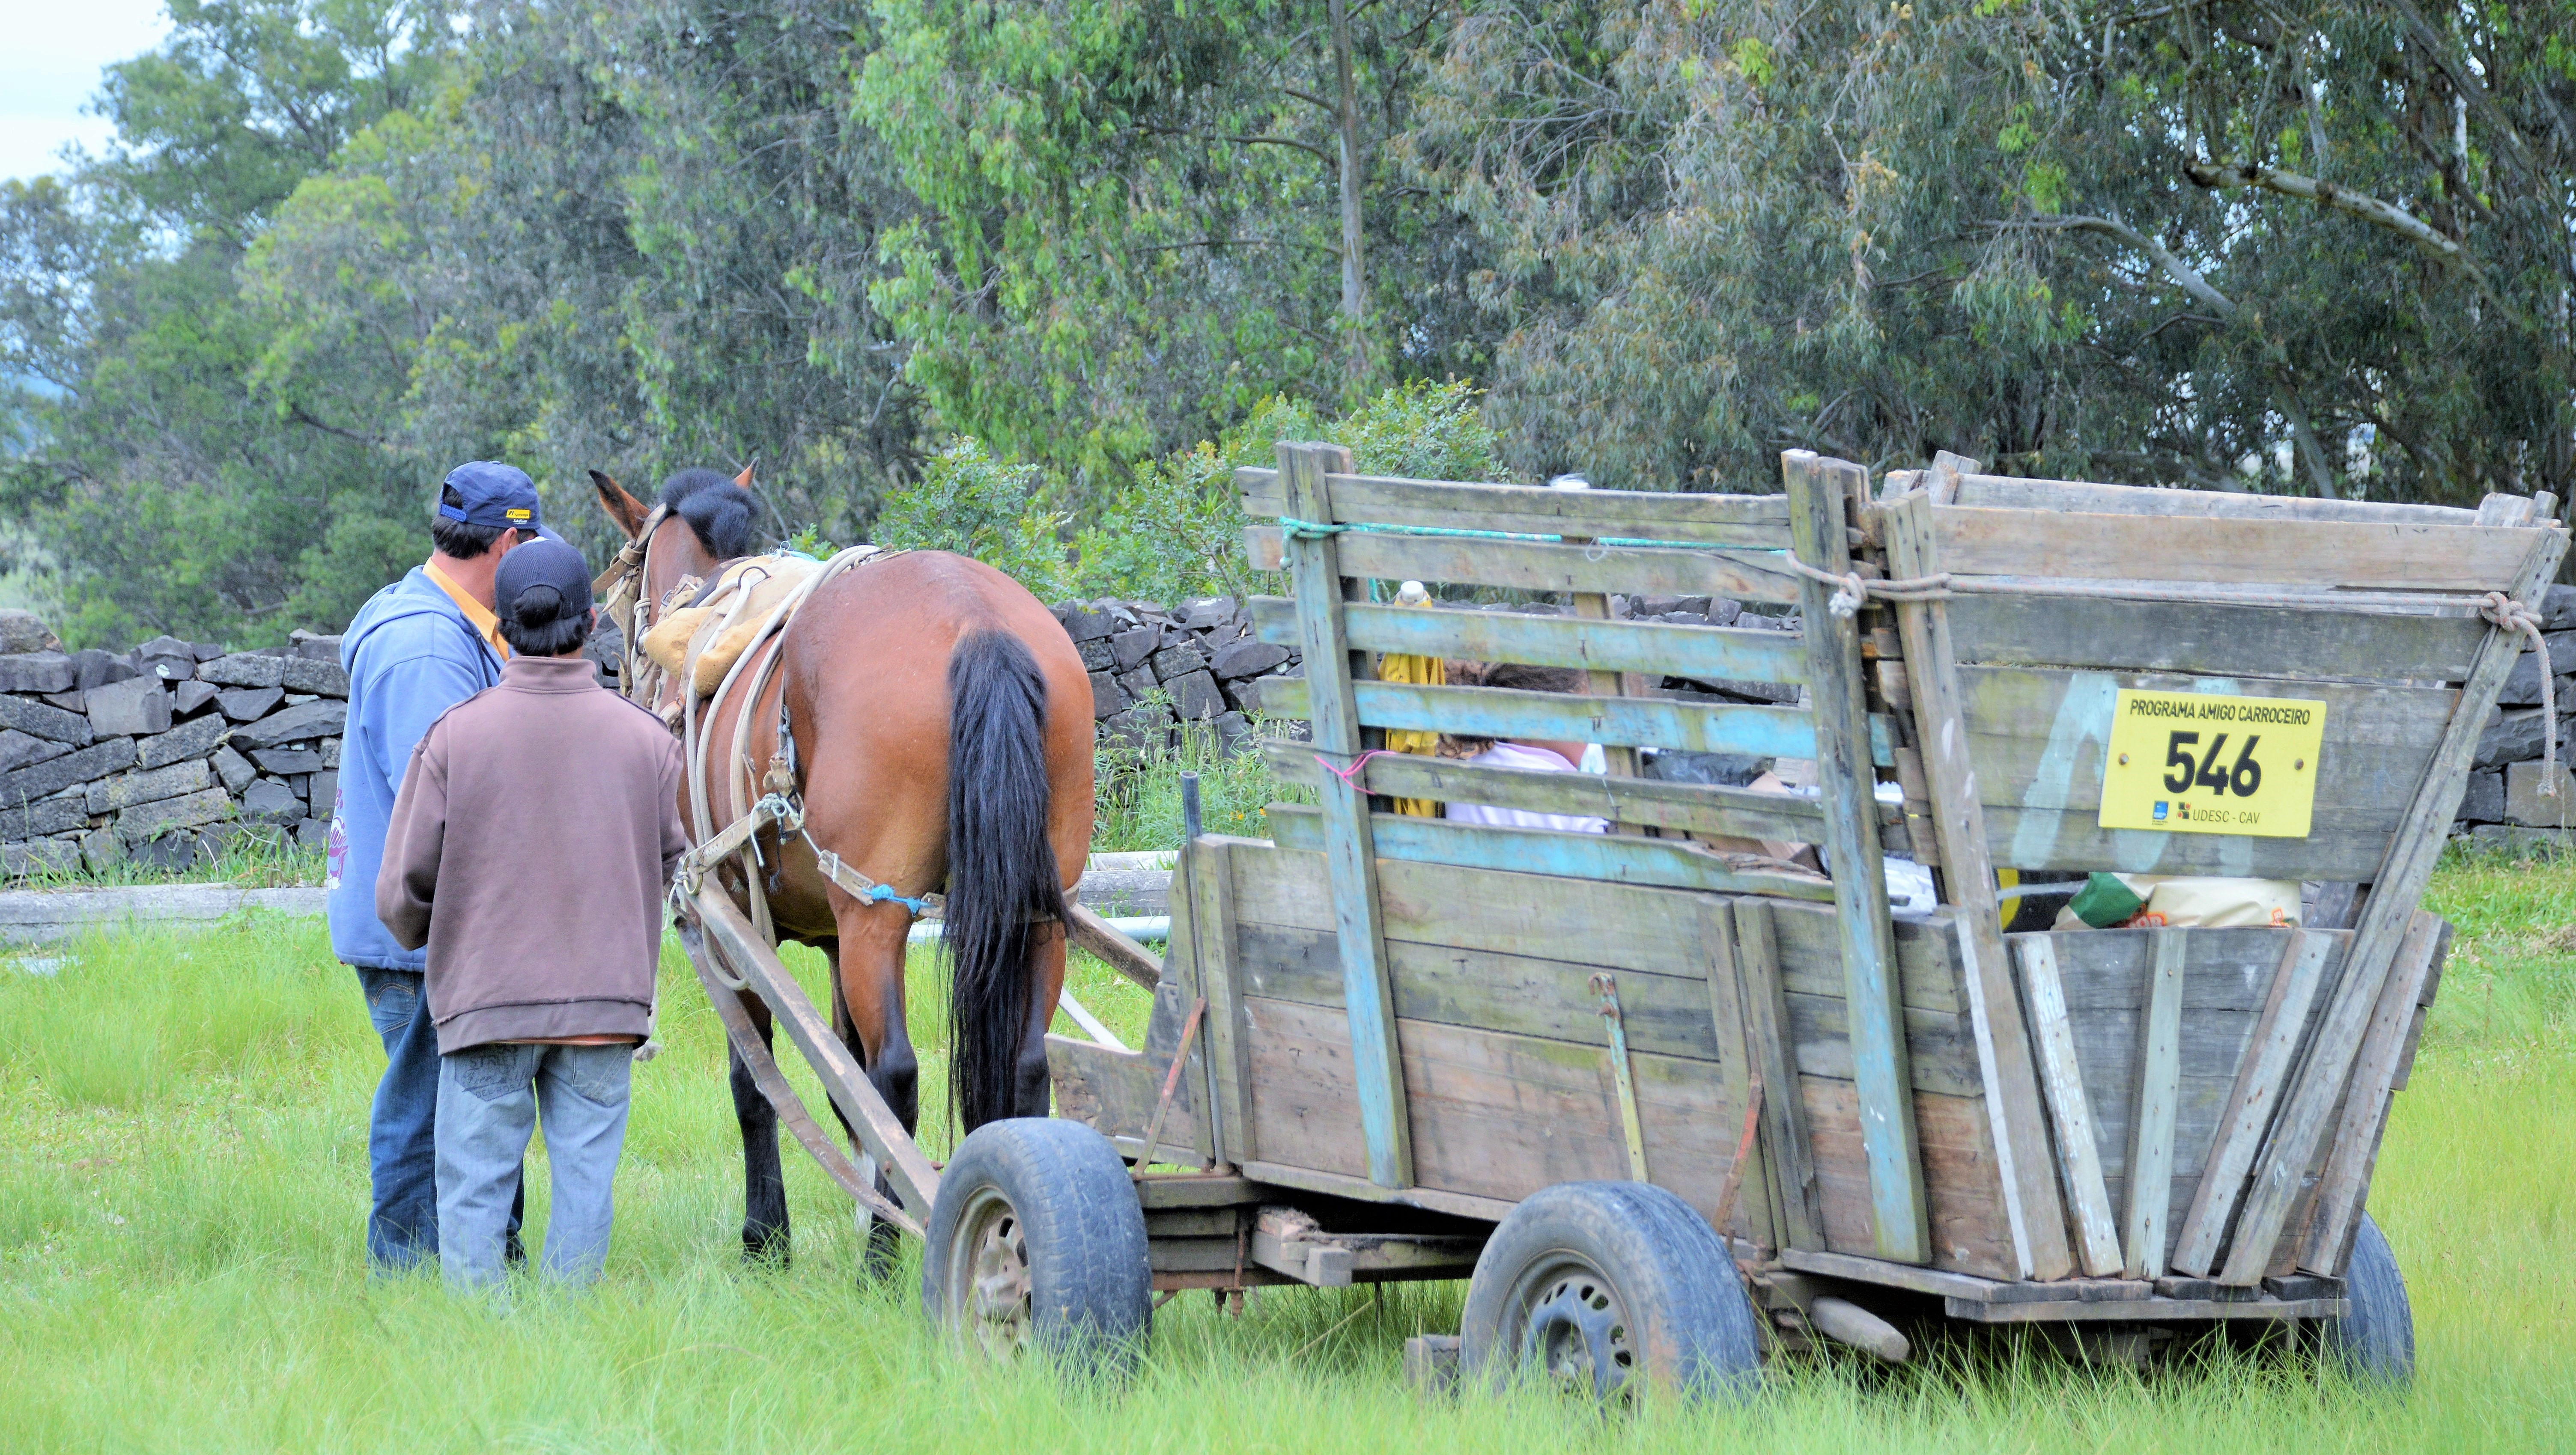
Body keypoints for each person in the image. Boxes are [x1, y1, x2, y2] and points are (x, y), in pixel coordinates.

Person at [376, 537, 688, 1291]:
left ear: (500, 625)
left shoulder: (454, 736)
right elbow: (671, 862)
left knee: (473, 1188)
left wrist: (440, 942)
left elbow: (400, 891)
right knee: (585, 1186)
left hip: (487, 1002)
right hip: (605, 1008)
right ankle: (567, 1333)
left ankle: (483, 1337)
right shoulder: (648, 740)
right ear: (592, 621)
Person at [328, 461, 540, 1272]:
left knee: (473, 1100)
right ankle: (411, 1271)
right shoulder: (425, 649)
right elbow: (454, 806)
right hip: (425, 930)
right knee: (426, 1107)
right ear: (508, 546)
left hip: (436, 921)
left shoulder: (452, 627)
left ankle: (485, 1261)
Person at [1438, 662, 1610, 833]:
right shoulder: (1580, 801)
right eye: (1589, 717)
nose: (1593, 732)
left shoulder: (1465, 778)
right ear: (1551, 718)